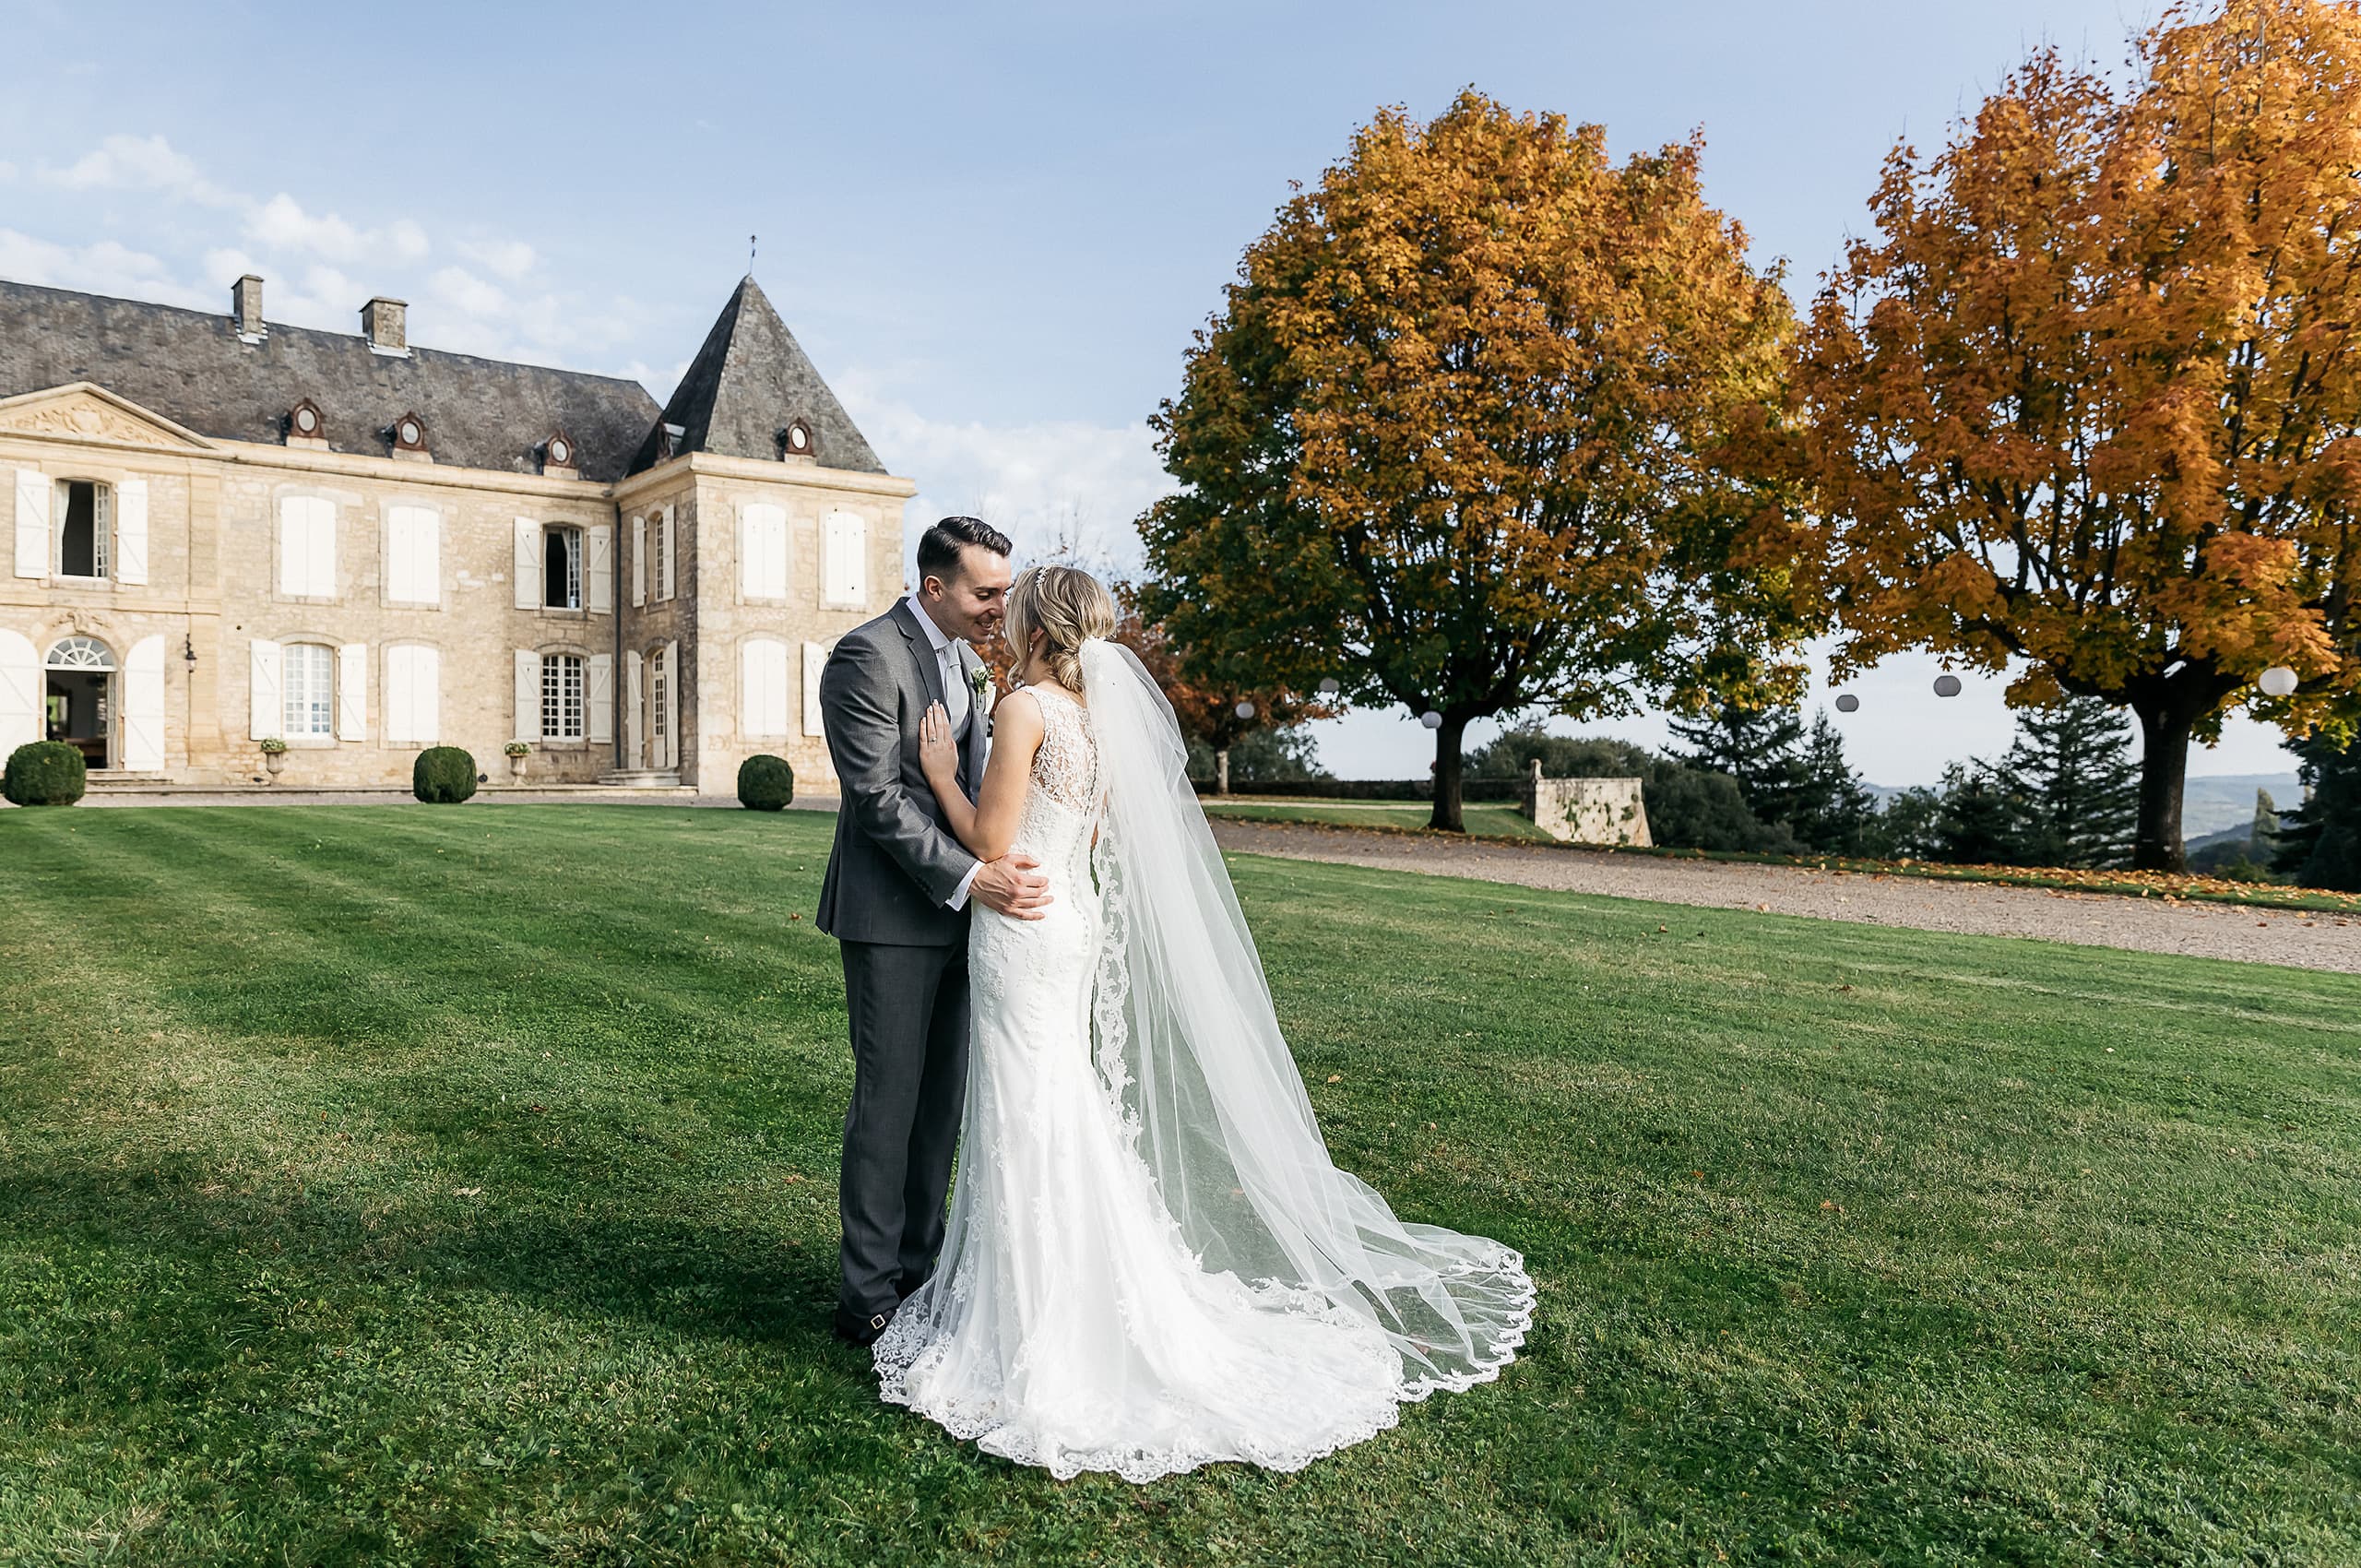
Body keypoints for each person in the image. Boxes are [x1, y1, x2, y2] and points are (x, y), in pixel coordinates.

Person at [872, 564, 1534, 1481]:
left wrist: (942, 774)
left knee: (1028, 1109)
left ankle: (1034, 1319)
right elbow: (1089, 833)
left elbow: (990, 842)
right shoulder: (1099, 716)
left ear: (1033, 627)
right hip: (1070, 914)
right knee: (1055, 1101)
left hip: (1020, 924)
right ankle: (1067, 1290)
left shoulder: (1025, 709)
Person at [814, 517, 1050, 1348]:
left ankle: (919, 1272)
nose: (1000, 608)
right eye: (986, 593)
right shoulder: (867, 656)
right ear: (934, 588)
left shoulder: (968, 663)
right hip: (892, 919)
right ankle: (867, 1297)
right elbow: (876, 798)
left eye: (1005, 592)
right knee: (889, 1106)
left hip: (968, 921)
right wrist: (968, 875)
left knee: (940, 1105)